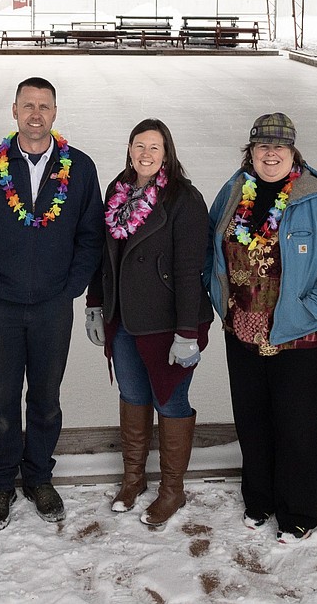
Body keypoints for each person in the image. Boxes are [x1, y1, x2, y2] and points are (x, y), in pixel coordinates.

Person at [205, 113, 317, 544]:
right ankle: (260, 500)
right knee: (252, 421)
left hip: (301, 337)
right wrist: (219, 301)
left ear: (294, 152)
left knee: (297, 425)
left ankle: (298, 512)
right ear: (250, 152)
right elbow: (210, 251)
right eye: (262, 147)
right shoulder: (234, 190)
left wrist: (313, 306)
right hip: (242, 332)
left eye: (280, 147)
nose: (270, 154)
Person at [0, 77, 104, 530]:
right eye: (28, 106)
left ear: (55, 113)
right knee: (2, 397)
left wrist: (71, 286)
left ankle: (39, 475)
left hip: (52, 304)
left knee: (45, 396)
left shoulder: (78, 168)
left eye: (44, 106)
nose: (35, 114)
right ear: (15, 111)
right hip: (1, 303)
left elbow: (90, 234)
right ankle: (0, 481)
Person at [84, 119, 213, 527]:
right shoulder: (116, 192)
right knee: (133, 396)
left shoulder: (183, 199)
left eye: (154, 148)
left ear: (166, 153)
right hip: (123, 318)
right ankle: (133, 479)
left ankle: (172, 490)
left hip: (167, 324)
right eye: (139, 145)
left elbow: (191, 268)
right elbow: (103, 255)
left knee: (170, 401)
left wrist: (187, 333)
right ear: (129, 148)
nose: (145, 155)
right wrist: (95, 303)